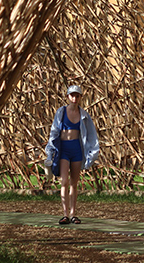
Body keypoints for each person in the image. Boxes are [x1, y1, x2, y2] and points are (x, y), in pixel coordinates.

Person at [44, 84, 100, 224]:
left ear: (80, 97)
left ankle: (74, 213)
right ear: (68, 97)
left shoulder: (84, 115)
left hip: (76, 149)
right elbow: (54, 131)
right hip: (64, 149)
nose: (74, 98)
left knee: (74, 183)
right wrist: (50, 151)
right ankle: (65, 214)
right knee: (64, 182)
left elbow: (91, 134)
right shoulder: (61, 112)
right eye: (72, 95)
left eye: (77, 95)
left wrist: (92, 153)